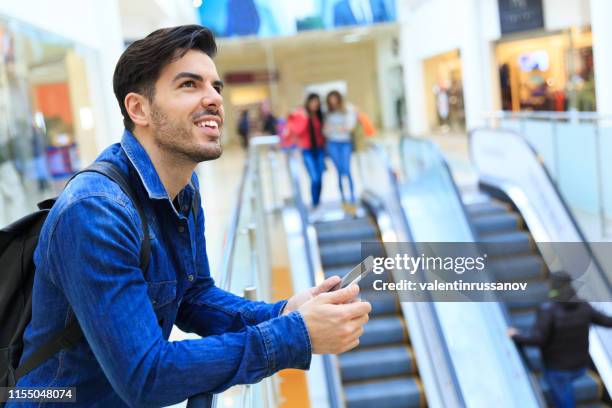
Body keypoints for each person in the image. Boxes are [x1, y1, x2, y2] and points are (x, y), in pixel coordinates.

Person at [10, 25, 371, 407]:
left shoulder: (183, 186)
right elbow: (145, 376)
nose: (213, 98)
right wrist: (295, 335)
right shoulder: (96, 212)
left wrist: (283, 312)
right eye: (189, 85)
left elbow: (193, 295)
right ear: (139, 108)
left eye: (215, 87)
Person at [508, 272, 612, 408]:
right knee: (565, 389)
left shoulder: (548, 310)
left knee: (564, 398)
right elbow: (608, 322)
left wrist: (516, 335)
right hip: (580, 366)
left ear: (553, 286)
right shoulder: (583, 306)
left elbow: (538, 339)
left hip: (557, 368)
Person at [287, 93, 326, 210]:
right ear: (308, 102)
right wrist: (304, 117)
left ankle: (318, 202)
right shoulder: (301, 115)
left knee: (320, 177)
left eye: (317, 102)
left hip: (319, 150)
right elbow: (298, 130)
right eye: (313, 102)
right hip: (307, 150)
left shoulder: (319, 115)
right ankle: (314, 203)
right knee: (314, 178)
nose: (315, 104)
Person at [323, 90, 357, 212]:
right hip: (332, 143)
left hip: (345, 143)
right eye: (330, 99)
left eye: (335, 99)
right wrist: (336, 129)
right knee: (339, 171)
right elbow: (326, 130)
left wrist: (336, 128)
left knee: (347, 170)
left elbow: (349, 126)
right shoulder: (327, 113)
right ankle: (343, 199)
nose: (333, 101)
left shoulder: (347, 109)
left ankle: (353, 198)